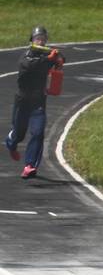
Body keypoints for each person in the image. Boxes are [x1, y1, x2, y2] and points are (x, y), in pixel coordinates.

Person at [5, 26, 64, 179]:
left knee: (38, 133)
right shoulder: (26, 56)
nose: (41, 42)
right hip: (22, 102)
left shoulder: (47, 55)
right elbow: (31, 66)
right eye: (38, 39)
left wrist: (59, 59)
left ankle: (30, 165)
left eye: (43, 39)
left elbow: (61, 58)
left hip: (38, 102)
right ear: (32, 40)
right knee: (19, 134)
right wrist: (49, 59)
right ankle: (11, 141)